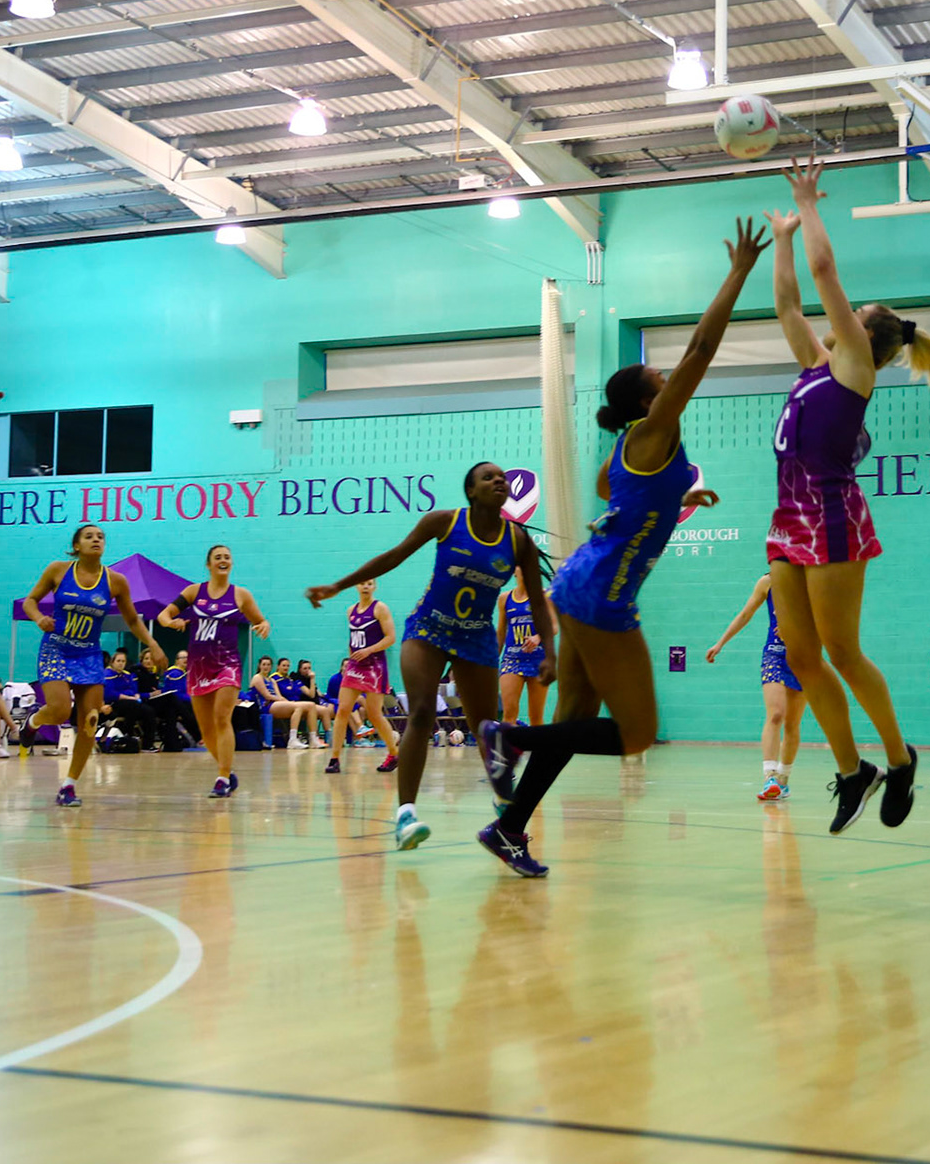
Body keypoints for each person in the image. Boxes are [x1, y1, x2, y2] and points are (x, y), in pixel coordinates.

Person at [471, 219, 760, 876]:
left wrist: (681, 496)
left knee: (575, 717)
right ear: (649, 397)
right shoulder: (655, 430)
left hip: (578, 582)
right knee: (636, 734)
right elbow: (703, 348)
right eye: (660, 375)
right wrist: (739, 271)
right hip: (602, 595)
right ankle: (508, 735)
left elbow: (613, 494)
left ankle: (509, 829)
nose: (670, 375)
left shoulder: (628, 448)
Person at [762, 160, 930, 835]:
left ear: (866, 337)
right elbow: (787, 305)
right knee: (800, 657)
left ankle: (899, 757)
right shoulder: (814, 365)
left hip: (831, 517)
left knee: (842, 651)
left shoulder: (855, 368)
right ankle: (852, 770)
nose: (842, 312)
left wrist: (808, 205)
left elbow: (824, 273)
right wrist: (782, 238)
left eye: (854, 315)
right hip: (787, 519)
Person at [306, 461, 554, 851]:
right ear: (470, 490)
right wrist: (338, 586)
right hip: (428, 629)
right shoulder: (445, 521)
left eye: (502, 477)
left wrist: (550, 652)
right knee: (421, 712)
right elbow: (394, 555)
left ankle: (504, 806)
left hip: (476, 637)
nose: (499, 480)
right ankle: (406, 815)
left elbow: (538, 601)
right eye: (488, 476)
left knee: (486, 727)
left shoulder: (518, 540)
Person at [21, 523, 167, 808]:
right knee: (60, 710)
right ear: (77, 546)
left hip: (88, 654)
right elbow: (30, 601)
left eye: (100, 536)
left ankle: (69, 785)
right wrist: (39, 618)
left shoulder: (115, 581)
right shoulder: (58, 570)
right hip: (56, 648)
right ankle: (33, 722)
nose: (96, 539)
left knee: (90, 719)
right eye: (89, 536)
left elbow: (133, 620)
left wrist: (153, 643)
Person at [158, 544, 269, 798]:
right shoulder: (193, 591)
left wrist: (264, 625)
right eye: (218, 557)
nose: (223, 560)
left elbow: (260, 620)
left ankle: (221, 778)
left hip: (227, 664)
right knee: (206, 730)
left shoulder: (241, 595)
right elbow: (165, 614)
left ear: (231, 563)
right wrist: (171, 622)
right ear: (209, 564)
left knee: (221, 717)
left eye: (227, 557)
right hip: (198, 667)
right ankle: (227, 772)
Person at [705, 573, 809, 802]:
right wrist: (720, 643)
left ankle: (783, 780)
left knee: (792, 723)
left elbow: (824, 619)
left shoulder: (811, 580)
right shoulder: (767, 582)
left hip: (803, 656)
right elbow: (745, 614)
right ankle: (769, 777)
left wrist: (796, 630)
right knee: (776, 714)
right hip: (774, 654)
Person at [325, 578, 399, 775]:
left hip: (375, 666)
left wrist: (369, 650)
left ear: (374, 587)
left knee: (374, 714)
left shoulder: (380, 608)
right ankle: (335, 758)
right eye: (362, 583)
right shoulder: (350, 610)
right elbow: (352, 639)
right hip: (355, 666)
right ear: (357, 586)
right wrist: (353, 656)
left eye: (370, 583)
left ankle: (393, 753)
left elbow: (391, 638)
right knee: (343, 710)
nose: (366, 586)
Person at [496, 574, 553, 726]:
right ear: (515, 571)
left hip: (538, 660)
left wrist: (538, 637)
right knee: (509, 714)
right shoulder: (504, 598)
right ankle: (507, 742)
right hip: (511, 659)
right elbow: (501, 632)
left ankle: (537, 743)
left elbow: (553, 626)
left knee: (536, 717)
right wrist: (491, 661)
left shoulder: (544, 595)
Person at [142, 647, 199, 750]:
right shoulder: (175, 673)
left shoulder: (154, 675)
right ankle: (197, 734)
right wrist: (149, 694)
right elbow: (176, 693)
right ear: (177, 660)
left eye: (187, 657)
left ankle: (172, 744)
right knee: (179, 703)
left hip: (164, 702)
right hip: (147, 702)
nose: (186, 660)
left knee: (171, 710)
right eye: (183, 657)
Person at [101, 648, 159, 747]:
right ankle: (127, 735)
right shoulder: (107, 674)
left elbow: (133, 690)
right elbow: (110, 694)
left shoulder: (126, 675)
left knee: (149, 711)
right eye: (118, 661)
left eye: (123, 661)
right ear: (112, 662)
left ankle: (148, 744)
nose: (121, 663)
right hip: (114, 704)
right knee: (132, 705)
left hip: (131, 702)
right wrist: (128, 696)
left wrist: (133, 695)